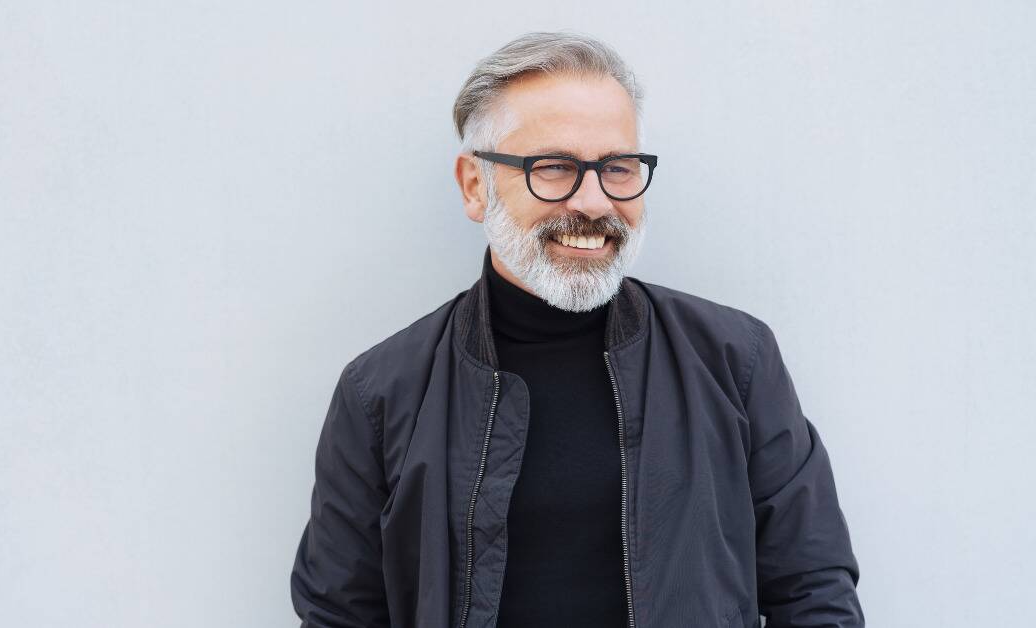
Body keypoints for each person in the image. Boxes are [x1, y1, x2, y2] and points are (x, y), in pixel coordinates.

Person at [289, 30, 863, 628]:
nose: (593, 202)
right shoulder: (381, 392)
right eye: (555, 167)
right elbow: (340, 613)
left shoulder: (735, 359)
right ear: (473, 185)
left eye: (617, 167)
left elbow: (813, 589)